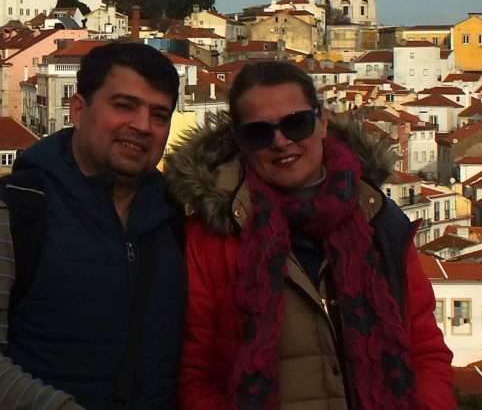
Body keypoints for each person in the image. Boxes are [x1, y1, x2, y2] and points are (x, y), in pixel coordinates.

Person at [166, 61, 454, 410]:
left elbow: (425, 350)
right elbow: (196, 373)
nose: (281, 142)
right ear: (241, 142)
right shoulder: (212, 234)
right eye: (259, 133)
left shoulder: (376, 217)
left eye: (296, 124)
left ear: (322, 123)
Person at [0, 41, 187, 409]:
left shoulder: (175, 215)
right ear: (78, 110)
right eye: (124, 106)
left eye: (159, 115)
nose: (143, 126)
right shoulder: (13, 212)